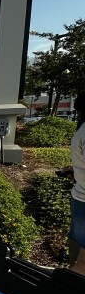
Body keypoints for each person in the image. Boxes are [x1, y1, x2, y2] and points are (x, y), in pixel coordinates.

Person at [68, 92, 85, 275]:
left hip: (80, 197)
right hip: (83, 200)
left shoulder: (81, 131)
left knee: (79, 256)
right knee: (82, 260)